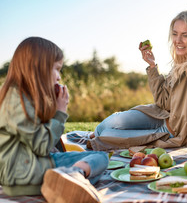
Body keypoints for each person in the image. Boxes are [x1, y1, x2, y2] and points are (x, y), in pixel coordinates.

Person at [89, 10, 187, 153]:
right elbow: (163, 101)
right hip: (159, 115)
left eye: (185, 35)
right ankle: (99, 133)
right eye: (175, 34)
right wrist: (153, 66)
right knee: (113, 121)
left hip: (173, 131)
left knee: (108, 135)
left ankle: (99, 136)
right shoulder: (181, 61)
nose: (178, 40)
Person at [0, 37, 109, 203]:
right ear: (39, 68)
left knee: (99, 159)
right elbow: (42, 146)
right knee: (99, 160)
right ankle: (71, 177)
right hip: (23, 173)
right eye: (57, 69)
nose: (59, 77)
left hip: (27, 170)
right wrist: (60, 113)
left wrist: (52, 107)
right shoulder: (16, 100)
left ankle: (71, 178)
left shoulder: (23, 97)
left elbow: (47, 142)